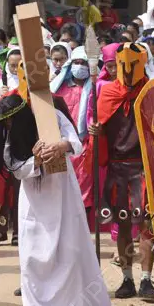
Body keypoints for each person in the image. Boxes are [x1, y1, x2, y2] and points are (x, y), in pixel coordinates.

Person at [0, 94, 114, 306]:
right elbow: (15, 168)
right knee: (33, 261)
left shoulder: (51, 118)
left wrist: (62, 146)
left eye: (12, 122)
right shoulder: (9, 136)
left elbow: (75, 142)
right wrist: (35, 160)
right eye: (5, 124)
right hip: (35, 205)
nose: (8, 127)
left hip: (63, 196)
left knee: (69, 254)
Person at [92, 42, 154, 301]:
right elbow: (100, 125)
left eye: (134, 64)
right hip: (118, 167)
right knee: (122, 224)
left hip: (142, 168)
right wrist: (96, 132)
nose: (129, 70)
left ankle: (146, 280)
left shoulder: (151, 92)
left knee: (145, 224)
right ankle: (127, 279)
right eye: (124, 65)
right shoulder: (108, 92)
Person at [53, 46, 96, 218]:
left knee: (84, 185)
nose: (80, 66)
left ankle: (82, 222)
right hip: (62, 145)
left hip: (85, 145)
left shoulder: (94, 87)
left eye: (84, 63)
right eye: (76, 62)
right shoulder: (60, 87)